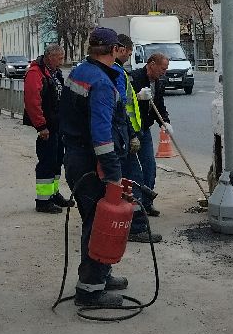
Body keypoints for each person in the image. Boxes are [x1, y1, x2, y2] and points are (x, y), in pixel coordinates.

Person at [60, 27, 132, 309]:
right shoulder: (102, 83)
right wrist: (113, 171)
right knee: (98, 223)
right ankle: (90, 291)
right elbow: (101, 134)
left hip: (77, 156)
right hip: (93, 163)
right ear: (114, 50)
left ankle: (101, 274)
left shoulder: (81, 71)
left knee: (93, 219)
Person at [112, 34, 162, 244]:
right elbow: (123, 108)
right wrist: (132, 135)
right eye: (129, 52)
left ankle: (138, 213)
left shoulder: (118, 72)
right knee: (133, 179)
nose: (130, 56)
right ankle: (136, 227)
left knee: (141, 173)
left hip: (129, 133)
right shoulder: (121, 74)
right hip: (123, 136)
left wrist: (163, 122)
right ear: (119, 49)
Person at [23, 43, 67, 214]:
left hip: (56, 126)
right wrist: (41, 126)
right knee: (47, 163)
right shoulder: (35, 73)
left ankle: (53, 194)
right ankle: (43, 201)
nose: (62, 62)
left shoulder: (54, 73)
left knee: (56, 162)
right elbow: (33, 101)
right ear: (50, 57)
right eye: (60, 58)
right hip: (46, 128)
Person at [130, 52, 171, 226]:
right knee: (133, 171)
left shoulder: (158, 82)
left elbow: (159, 104)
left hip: (144, 129)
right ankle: (134, 206)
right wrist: (138, 97)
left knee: (149, 167)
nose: (164, 72)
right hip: (131, 130)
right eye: (163, 68)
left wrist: (165, 122)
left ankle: (147, 203)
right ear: (151, 64)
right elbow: (125, 104)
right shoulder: (134, 78)